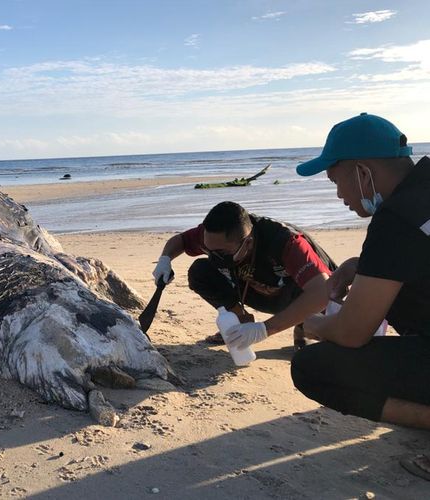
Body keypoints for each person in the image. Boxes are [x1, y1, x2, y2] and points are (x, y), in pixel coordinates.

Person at [291, 112, 430, 480]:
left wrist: (313, 324)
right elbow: (415, 258)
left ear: (362, 171)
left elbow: (353, 333)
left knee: (314, 367)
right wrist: (361, 265)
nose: (339, 195)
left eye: (337, 180)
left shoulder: (396, 219)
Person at [152, 201, 335, 349]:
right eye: (209, 250)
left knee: (331, 327)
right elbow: (181, 240)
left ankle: (303, 325)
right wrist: (165, 260)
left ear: (248, 243)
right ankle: (240, 322)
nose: (214, 256)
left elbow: (322, 291)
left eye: (222, 253)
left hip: (299, 296)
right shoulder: (213, 238)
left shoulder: (284, 241)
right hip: (254, 288)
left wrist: (264, 329)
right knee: (200, 271)